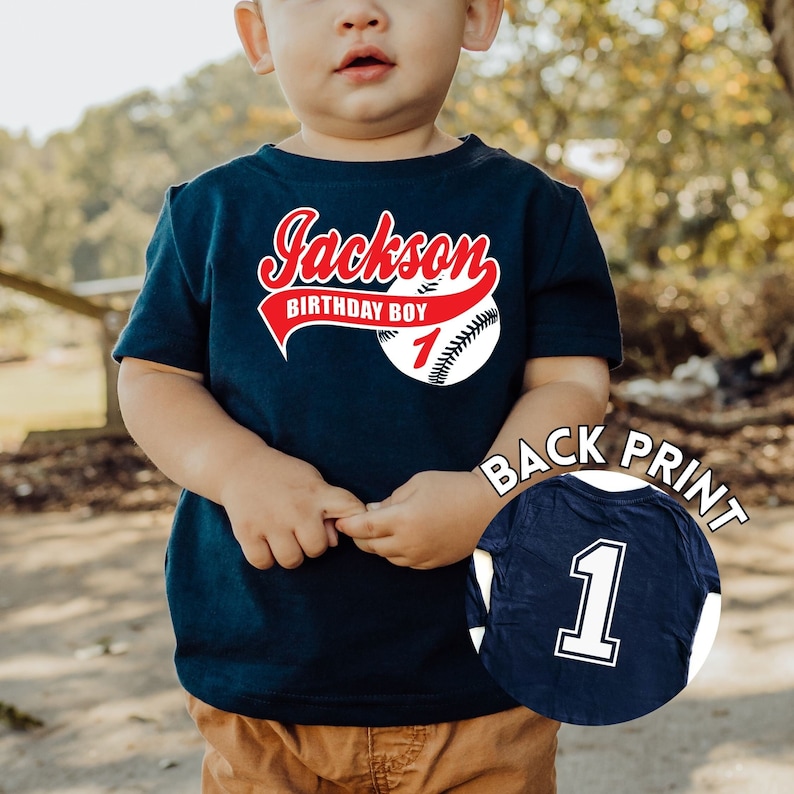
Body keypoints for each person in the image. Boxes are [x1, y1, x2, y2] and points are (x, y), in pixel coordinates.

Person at [114, 0, 622, 791]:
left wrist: (492, 494)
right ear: (258, 37)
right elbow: (151, 379)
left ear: (477, 18)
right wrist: (239, 469)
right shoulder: (209, 214)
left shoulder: (536, 211)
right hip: (262, 676)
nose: (359, 13)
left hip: (483, 680)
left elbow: (571, 384)